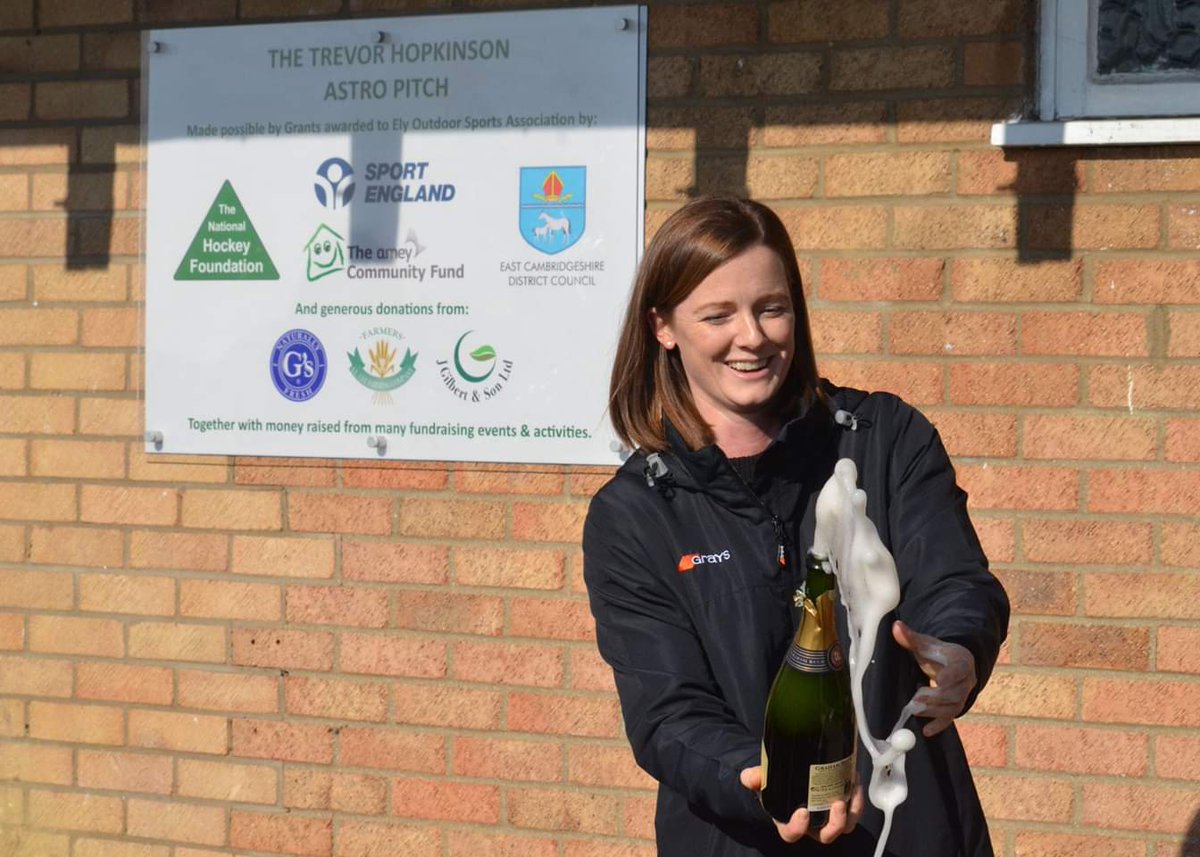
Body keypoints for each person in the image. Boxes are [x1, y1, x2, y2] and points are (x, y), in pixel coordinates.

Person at [582, 197, 1010, 857]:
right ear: (664, 326)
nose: (751, 335)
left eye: (770, 307)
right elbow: (667, 713)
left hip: (906, 828)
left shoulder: (884, 440)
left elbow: (957, 579)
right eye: (717, 314)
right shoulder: (637, 513)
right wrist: (760, 775)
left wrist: (960, 647)